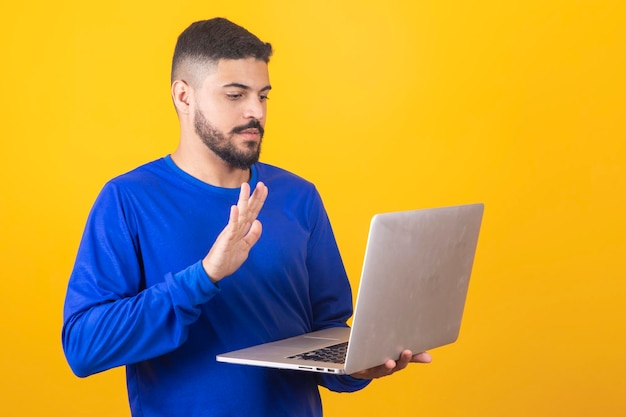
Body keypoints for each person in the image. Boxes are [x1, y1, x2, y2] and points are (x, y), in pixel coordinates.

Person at [62, 17, 431, 416]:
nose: (256, 111)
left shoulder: (298, 197)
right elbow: (84, 348)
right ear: (184, 97)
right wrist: (203, 277)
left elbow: (327, 335)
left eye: (263, 95)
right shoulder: (127, 200)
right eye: (236, 95)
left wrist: (360, 364)